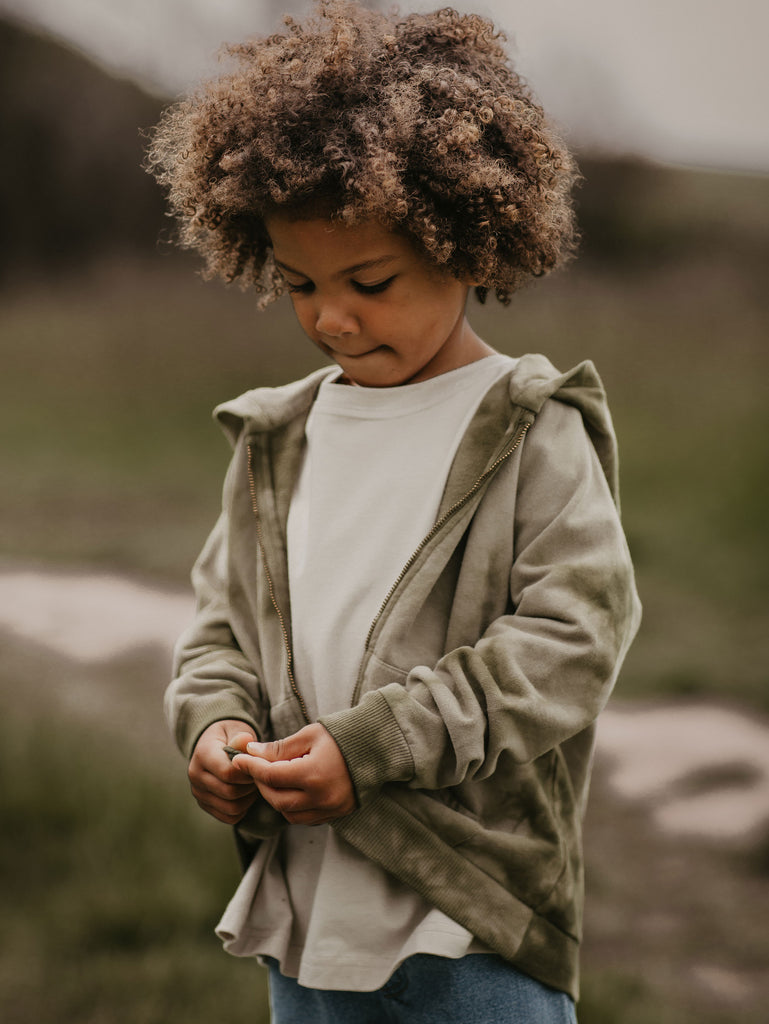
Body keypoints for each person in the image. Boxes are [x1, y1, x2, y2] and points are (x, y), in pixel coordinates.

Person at [147, 2, 641, 1020]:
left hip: (472, 913)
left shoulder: (530, 430)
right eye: (298, 284)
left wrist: (375, 745)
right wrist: (215, 724)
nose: (330, 316)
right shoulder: (275, 441)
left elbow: (574, 637)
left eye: (369, 281)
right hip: (306, 905)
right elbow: (219, 631)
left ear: (465, 244)